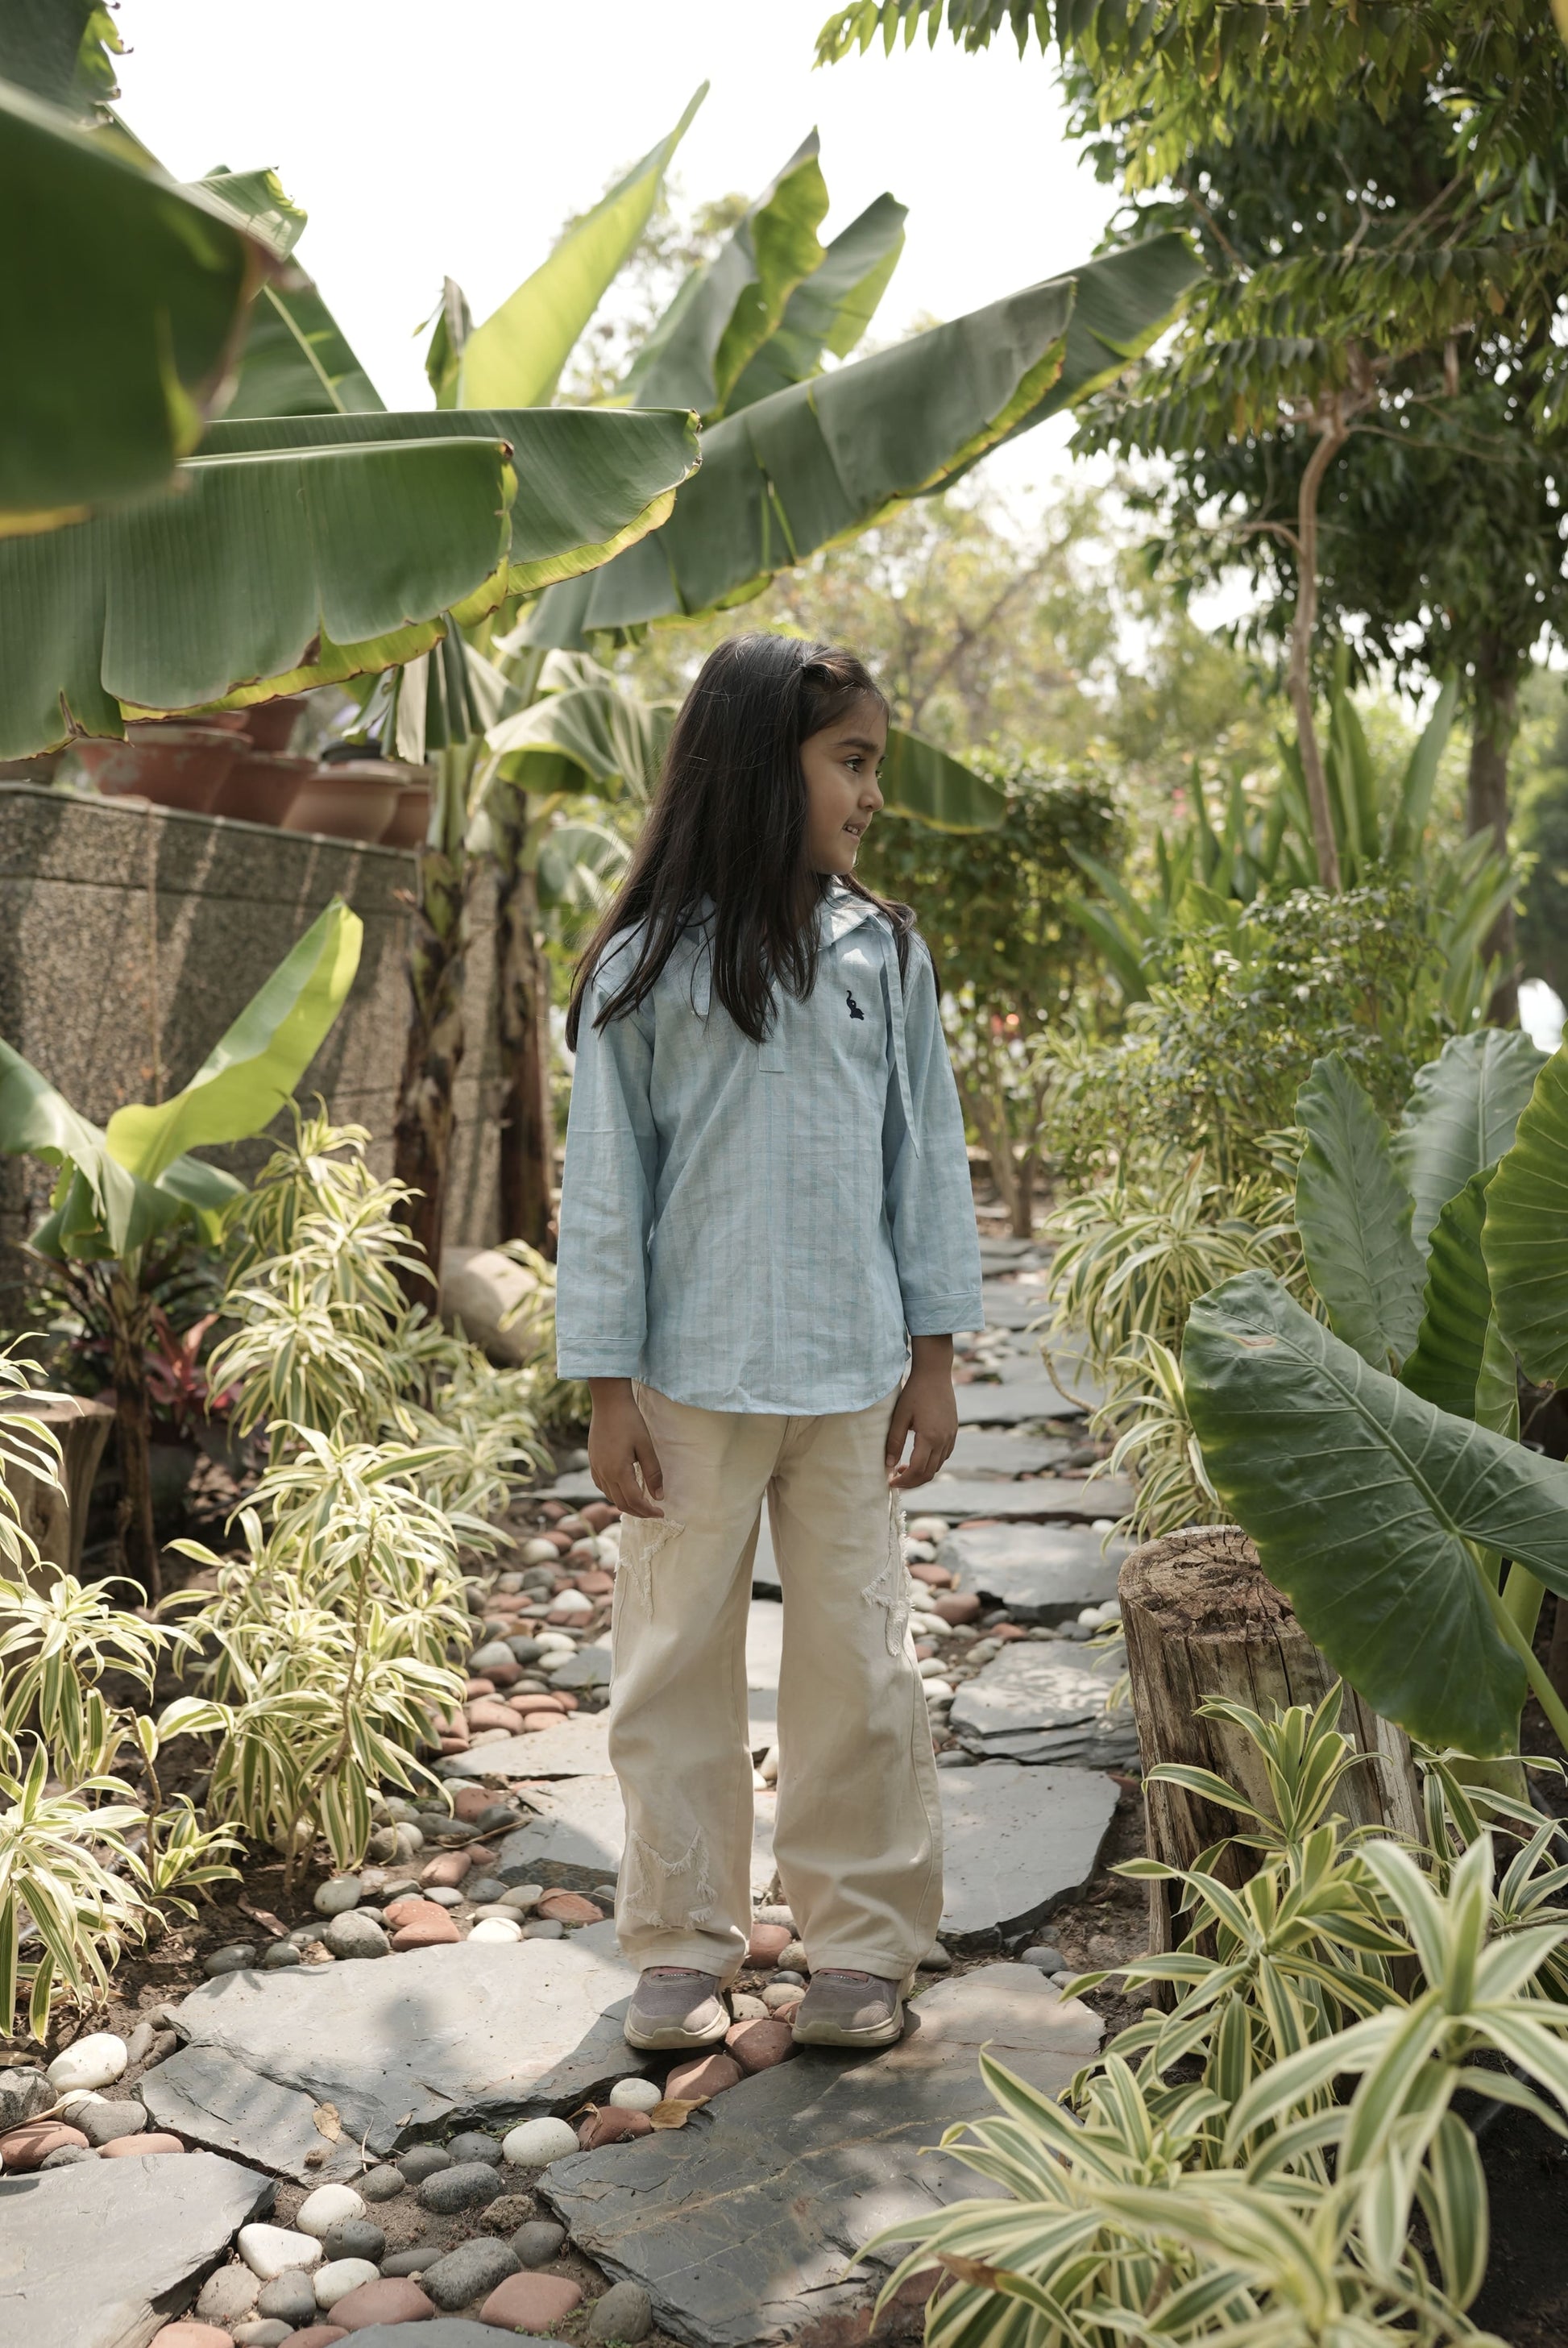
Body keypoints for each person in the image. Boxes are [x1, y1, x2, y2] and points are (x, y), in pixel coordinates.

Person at [555, 633, 982, 2052]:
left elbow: (921, 1163)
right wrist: (606, 1386)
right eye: (849, 762)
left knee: (857, 1660)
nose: (868, 793)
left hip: (853, 1375)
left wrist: (933, 1354)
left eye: (873, 765)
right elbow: (607, 1189)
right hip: (690, 1383)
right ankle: (683, 1935)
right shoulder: (646, 967)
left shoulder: (885, 955)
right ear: (759, 766)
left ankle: (860, 1939)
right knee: (674, 1660)